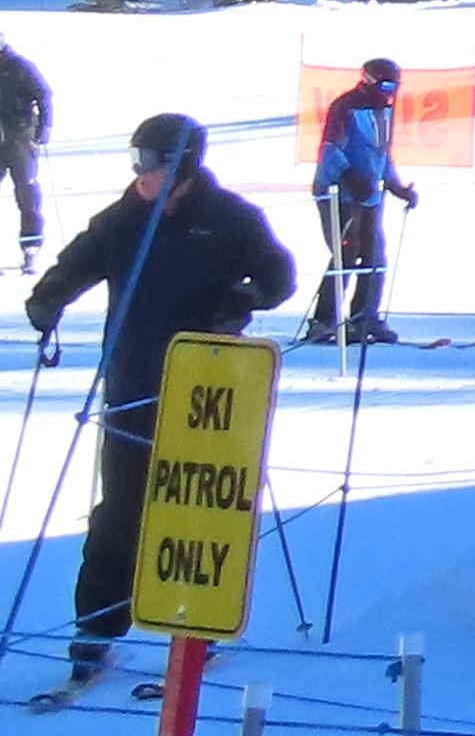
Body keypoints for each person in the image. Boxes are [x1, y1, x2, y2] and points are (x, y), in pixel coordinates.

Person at [26, 116, 299, 694]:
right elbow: (75, 265)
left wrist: (244, 297)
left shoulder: (230, 219)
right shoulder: (123, 219)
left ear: (183, 165)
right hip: (133, 385)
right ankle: (96, 631)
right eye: (135, 161)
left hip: (207, 392)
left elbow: (280, 275)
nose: (139, 174)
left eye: (149, 162)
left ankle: (194, 631)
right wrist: (47, 300)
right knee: (119, 512)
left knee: (197, 511)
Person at [305, 55, 421, 344]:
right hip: (337, 192)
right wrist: (350, 178)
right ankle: (323, 321)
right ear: (368, 80)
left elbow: (381, 154)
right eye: (385, 85)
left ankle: (363, 317)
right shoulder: (346, 106)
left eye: (395, 85)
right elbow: (330, 151)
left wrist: (396, 187)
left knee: (375, 254)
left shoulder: (385, 110)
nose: (390, 92)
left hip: (368, 194)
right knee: (347, 252)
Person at [0, 37, 47, 266]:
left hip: (20, 136)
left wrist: (44, 128)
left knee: (27, 193)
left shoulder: (18, 67)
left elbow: (43, 95)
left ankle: (31, 246)